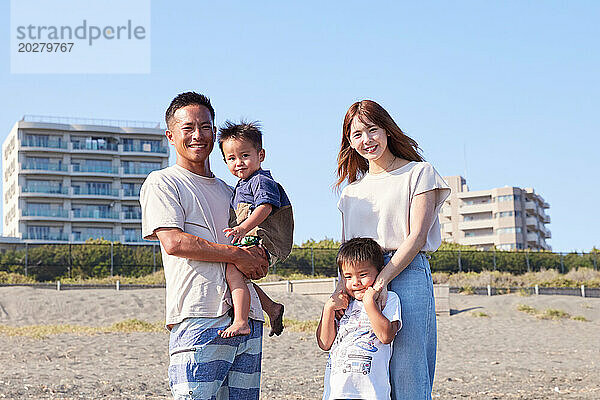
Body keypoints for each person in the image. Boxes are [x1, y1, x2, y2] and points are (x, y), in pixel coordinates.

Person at [140, 91, 269, 400]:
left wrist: (258, 263)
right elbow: (174, 242)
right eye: (188, 128)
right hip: (198, 316)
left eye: (206, 126)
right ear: (171, 135)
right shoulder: (163, 182)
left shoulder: (233, 191)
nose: (198, 135)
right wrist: (238, 254)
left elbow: (243, 257)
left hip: (247, 320)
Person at [335, 100, 451, 400]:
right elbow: (345, 250)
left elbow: (416, 236)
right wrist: (340, 291)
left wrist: (383, 279)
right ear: (349, 141)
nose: (366, 140)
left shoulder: (419, 173)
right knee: (364, 369)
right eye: (356, 134)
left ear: (387, 130)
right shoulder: (351, 192)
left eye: (372, 130)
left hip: (407, 271)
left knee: (408, 370)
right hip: (359, 280)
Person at [216, 120, 293, 338]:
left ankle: (241, 321)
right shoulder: (243, 184)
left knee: (232, 269)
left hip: (266, 241)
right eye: (231, 158)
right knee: (239, 275)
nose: (238, 162)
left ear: (261, 155)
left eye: (245, 156)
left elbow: (265, 207)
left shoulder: (260, 180)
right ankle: (272, 308)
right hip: (256, 240)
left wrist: (243, 228)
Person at [317, 237, 402, 400]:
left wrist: (369, 300)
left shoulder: (388, 300)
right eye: (348, 277)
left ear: (380, 271)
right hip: (336, 393)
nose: (355, 283)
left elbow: (386, 336)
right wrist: (328, 308)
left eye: (362, 274)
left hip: (371, 393)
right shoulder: (342, 305)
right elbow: (324, 343)